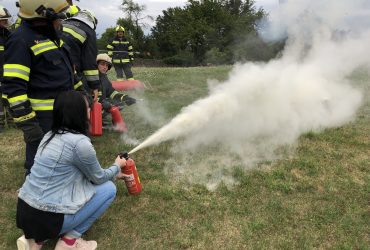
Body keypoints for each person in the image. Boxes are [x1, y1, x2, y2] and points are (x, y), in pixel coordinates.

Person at [16, 90, 128, 250]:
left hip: (24, 212)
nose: (90, 110)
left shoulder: (48, 136)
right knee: (109, 189)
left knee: (76, 191)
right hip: (47, 217)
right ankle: (70, 241)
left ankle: (36, 240)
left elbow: (80, 177)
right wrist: (117, 166)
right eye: (87, 108)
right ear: (79, 114)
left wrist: (114, 175)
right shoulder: (80, 143)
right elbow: (98, 178)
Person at [2, 0, 75, 175]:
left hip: (64, 114)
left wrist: (81, 94)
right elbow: (13, 87)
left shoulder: (53, 36)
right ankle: (32, 199)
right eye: (60, 16)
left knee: (62, 163)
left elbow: (66, 72)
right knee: (39, 165)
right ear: (45, 15)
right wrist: (29, 125)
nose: (62, 20)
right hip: (43, 120)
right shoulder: (20, 40)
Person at [61, 9, 100, 100]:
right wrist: (94, 86)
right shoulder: (89, 31)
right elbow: (89, 61)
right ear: (92, 20)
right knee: (83, 98)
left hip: (48, 69)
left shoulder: (62, 23)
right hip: (70, 72)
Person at [96, 53, 136, 132]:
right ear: (96, 65)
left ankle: (107, 122)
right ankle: (98, 123)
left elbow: (112, 93)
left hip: (102, 105)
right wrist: (101, 103)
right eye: (102, 64)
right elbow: (86, 97)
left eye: (107, 65)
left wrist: (125, 98)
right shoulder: (90, 79)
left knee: (119, 104)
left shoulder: (104, 78)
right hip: (91, 108)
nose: (105, 67)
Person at [0, 5, 12, 132]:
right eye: (3, 20)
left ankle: (11, 120)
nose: (6, 22)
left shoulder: (8, 35)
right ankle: (1, 124)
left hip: (7, 72)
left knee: (8, 97)